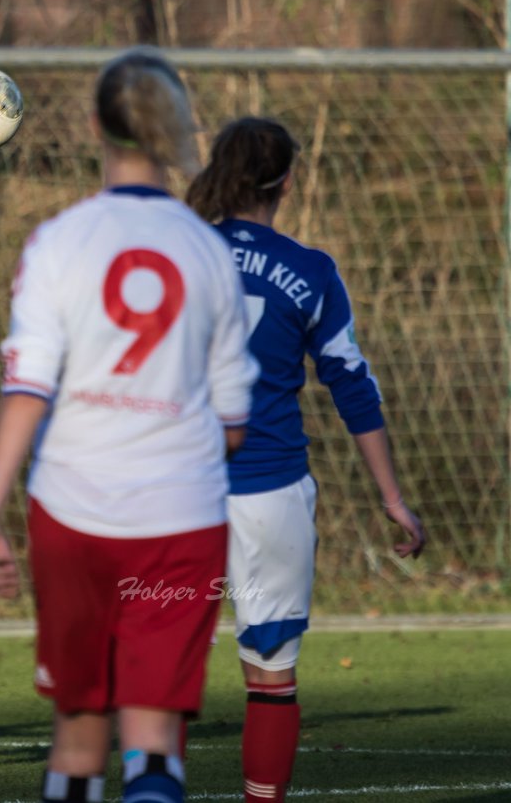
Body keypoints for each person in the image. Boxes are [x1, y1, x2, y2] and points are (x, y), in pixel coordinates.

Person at [0, 47, 260, 803]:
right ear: (175, 130)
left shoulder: (59, 240)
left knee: (78, 733)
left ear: (96, 125)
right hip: (182, 518)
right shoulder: (209, 251)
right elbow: (234, 422)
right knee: (155, 741)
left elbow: (27, 388)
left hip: (73, 513)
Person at [185, 116, 427, 803]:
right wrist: (391, 499)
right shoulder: (311, 270)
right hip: (270, 493)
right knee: (271, 676)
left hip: (176, 493)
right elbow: (352, 383)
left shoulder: (172, 256)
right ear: (287, 181)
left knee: (162, 679)